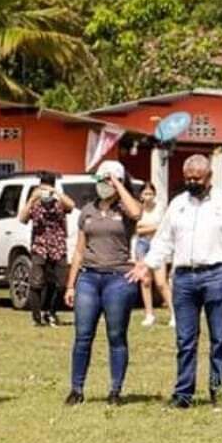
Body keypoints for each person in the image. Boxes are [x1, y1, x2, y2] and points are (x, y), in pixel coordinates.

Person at [134, 154, 222, 408]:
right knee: (185, 339)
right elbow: (163, 240)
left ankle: (221, 393)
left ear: (209, 177)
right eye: (188, 178)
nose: (192, 182)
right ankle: (183, 394)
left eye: (197, 178)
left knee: (219, 337)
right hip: (183, 278)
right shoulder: (178, 204)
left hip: (215, 274)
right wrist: (147, 264)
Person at [63, 159, 142, 405]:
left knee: (116, 335)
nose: (103, 185)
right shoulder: (88, 211)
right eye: (100, 180)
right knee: (83, 334)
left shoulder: (125, 211)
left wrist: (117, 184)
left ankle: (115, 390)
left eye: (107, 180)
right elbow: (78, 250)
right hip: (89, 278)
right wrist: (70, 284)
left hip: (118, 279)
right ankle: (76, 389)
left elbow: (137, 212)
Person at [18, 171, 73, 327]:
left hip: (58, 247)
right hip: (39, 247)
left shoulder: (59, 203)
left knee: (60, 283)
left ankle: (51, 312)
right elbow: (22, 218)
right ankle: (37, 318)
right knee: (36, 283)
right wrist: (33, 198)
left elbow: (72, 206)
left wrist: (56, 192)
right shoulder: (35, 204)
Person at [135, 182, 174, 328]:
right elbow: (137, 229)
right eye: (145, 194)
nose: (148, 197)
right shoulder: (138, 209)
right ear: (140, 196)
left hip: (157, 245)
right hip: (142, 245)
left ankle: (173, 313)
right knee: (145, 281)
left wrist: (147, 227)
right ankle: (149, 314)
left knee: (161, 282)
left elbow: (163, 227)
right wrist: (152, 227)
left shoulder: (160, 208)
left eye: (150, 193)